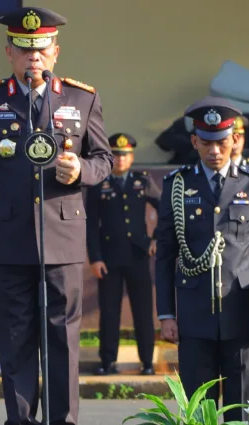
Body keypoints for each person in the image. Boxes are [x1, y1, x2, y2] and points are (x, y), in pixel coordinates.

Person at [0, 6, 113, 424]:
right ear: (9, 53)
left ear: (56, 51)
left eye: (41, 49)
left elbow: (105, 160)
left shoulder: (82, 98)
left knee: (62, 342)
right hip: (8, 242)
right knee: (16, 341)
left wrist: (81, 170)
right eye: (25, 50)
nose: (34, 58)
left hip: (62, 242)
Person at [154, 96, 249, 422]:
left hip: (242, 313)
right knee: (199, 410)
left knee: (242, 410)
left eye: (222, 142)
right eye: (207, 143)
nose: (214, 150)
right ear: (194, 141)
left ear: (234, 139)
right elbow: (166, 253)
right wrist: (166, 313)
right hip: (194, 316)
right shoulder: (177, 185)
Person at [84, 132, 159, 376]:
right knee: (109, 312)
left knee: (143, 311)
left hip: (138, 256)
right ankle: (108, 361)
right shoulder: (99, 184)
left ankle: (147, 362)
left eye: (124, 155)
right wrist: (95, 258)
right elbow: (91, 224)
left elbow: (166, 209)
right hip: (109, 258)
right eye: (115, 155)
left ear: (132, 157)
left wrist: (155, 239)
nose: (120, 159)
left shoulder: (142, 181)